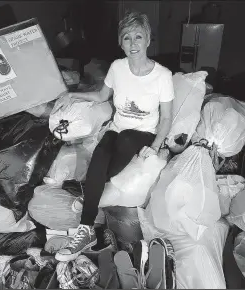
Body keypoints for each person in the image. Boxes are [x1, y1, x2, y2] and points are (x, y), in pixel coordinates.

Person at [55, 11, 175, 262]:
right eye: (127, 38)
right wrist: (73, 95)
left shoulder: (162, 76)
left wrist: (154, 146)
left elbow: (166, 119)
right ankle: (86, 229)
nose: (133, 44)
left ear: (148, 40)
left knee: (125, 141)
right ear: (121, 43)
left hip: (142, 133)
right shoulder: (117, 68)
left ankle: (90, 192)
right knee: (102, 150)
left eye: (138, 37)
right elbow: (101, 96)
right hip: (118, 128)